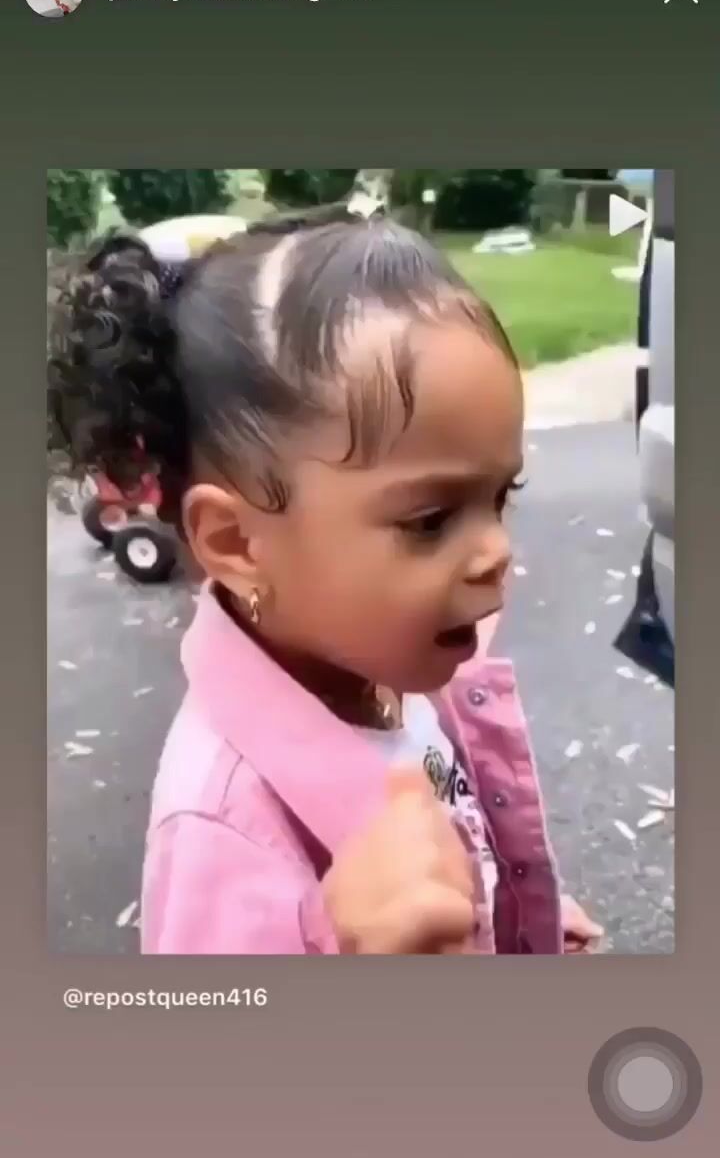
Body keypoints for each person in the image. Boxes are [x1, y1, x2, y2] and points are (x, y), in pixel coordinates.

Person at [48, 208, 603, 956]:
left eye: (500, 497)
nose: (495, 552)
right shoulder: (224, 828)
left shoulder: (388, 664)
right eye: (432, 519)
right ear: (237, 542)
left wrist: (503, 906)